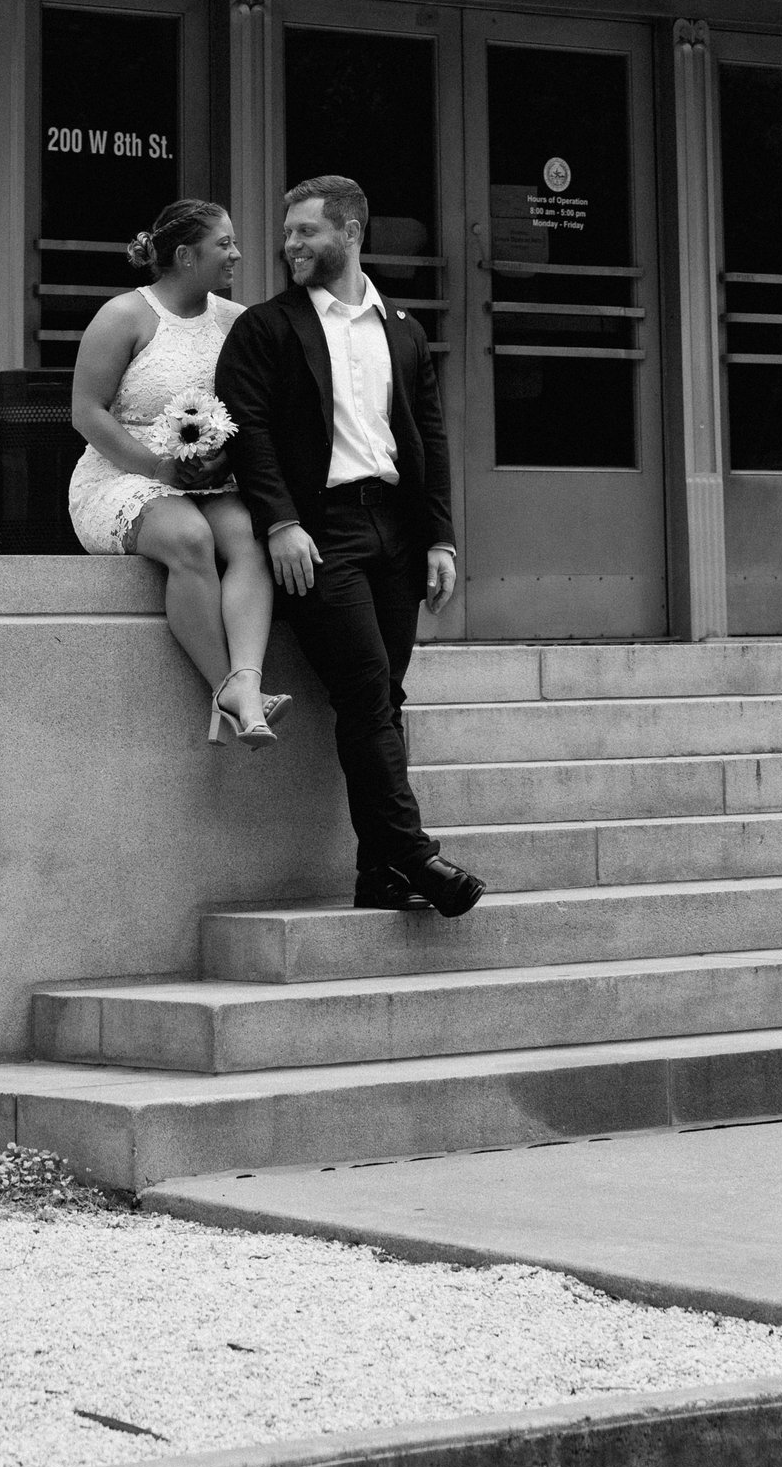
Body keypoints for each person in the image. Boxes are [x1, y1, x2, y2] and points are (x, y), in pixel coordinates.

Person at [214, 172, 485, 914]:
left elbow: (427, 435)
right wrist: (280, 523)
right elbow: (251, 434)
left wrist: (441, 539)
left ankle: (379, 875)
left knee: (383, 697)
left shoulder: (403, 327)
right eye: (288, 231)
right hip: (317, 532)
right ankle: (416, 856)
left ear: (351, 232)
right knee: (366, 689)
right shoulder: (265, 327)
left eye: (306, 230)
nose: (289, 244)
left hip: (395, 529)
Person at [67, 197, 287, 748]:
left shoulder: (236, 322)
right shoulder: (124, 315)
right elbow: (86, 412)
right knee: (191, 539)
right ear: (186, 256)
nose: (237, 253)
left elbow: (255, 412)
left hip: (210, 477)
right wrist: (159, 466)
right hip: (122, 476)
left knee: (250, 539)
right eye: (224, 244)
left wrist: (227, 456)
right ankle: (228, 688)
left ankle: (251, 677)